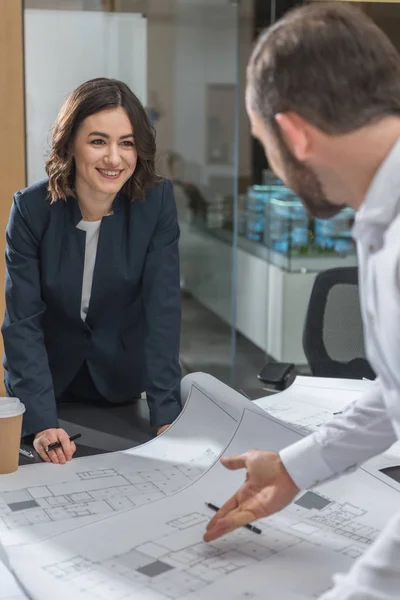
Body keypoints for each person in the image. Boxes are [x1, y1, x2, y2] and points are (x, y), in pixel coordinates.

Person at [203, 3, 400, 598]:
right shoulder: (380, 215)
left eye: (266, 146)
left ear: (293, 133)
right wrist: (293, 467)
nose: (276, 169)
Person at [2, 78, 182, 464]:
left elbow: (162, 309)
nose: (114, 158)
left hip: (120, 383)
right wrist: (41, 421)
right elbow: (22, 323)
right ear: (70, 144)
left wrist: (166, 413)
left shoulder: (156, 204)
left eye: (127, 142)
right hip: (44, 385)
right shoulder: (32, 211)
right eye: (98, 141)